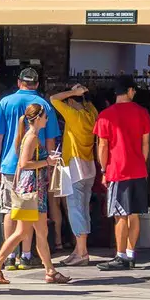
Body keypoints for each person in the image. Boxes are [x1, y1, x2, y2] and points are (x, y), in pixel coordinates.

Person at [0, 102, 69, 285]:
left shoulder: (30, 135)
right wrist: (47, 162)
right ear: (38, 117)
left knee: (40, 231)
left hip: (33, 191)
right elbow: (24, 163)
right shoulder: (31, 137)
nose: (48, 119)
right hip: (31, 191)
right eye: (46, 116)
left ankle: (50, 271)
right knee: (22, 232)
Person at [0, 66, 60, 272]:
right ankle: (26, 255)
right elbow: (50, 140)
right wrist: (50, 165)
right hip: (34, 170)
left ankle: (10, 257)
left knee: (11, 210)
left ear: (19, 82)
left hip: (10, 165)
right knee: (32, 213)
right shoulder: (44, 105)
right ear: (37, 84)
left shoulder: (6, 102)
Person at [94, 77, 150, 271]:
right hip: (137, 168)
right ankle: (130, 253)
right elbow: (146, 143)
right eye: (134, 90)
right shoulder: (142, 112)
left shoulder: (105, 115)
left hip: (117, 169)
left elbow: (102, 145)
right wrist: (141, 162)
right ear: (129, 91)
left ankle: (120, 256)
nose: (134, 93)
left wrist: (104, 168)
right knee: (134, 214)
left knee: (120, 215)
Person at [49, 81, 99, 266]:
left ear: (70, 102)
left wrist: (71, 91)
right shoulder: (91, 113)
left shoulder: (73, 115)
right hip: (89, 166)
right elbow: (88, 102)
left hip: (75, 167)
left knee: (75, 210)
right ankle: (78, 250)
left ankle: (82, 252)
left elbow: (53, 99)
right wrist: (81, 93)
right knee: (83, 209)